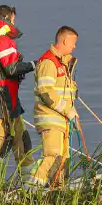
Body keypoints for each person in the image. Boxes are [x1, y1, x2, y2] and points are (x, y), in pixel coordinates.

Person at [0, 5, 37, 186]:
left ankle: (29, 182)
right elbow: (11, 68)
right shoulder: (3, 40)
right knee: (2, 138)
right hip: (2, 95)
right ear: (7, 19)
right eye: (13, 20)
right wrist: (34, 64)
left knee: (19, 136)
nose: (13, 23)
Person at [32, 26, 79, 188]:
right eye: (73, 43)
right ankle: (31, 191)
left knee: (62, 159)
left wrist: (71, 113)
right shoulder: (49, 62)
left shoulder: (62, 63)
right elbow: (46, 91)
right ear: (65, 40)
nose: (74, 47)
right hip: (50, 118)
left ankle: (56, 190)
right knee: (52, 156)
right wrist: (67, 110)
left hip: (62, 120)